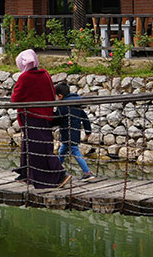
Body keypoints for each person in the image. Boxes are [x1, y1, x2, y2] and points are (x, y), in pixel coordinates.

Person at [11, 49, 68, 187]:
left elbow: (15, 98)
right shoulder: (45, 74)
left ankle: (60, 175)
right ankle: (26, 173)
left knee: (38, 147)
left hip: (31, 117)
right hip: (45, 115)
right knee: (35, 144)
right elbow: (51, 93)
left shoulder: (24, 77)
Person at [55, 81, 94, 179]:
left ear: (60, 96)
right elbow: (85, 118)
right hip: (75, 132)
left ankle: (87, 172)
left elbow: (56, 118)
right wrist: (88, 131)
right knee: (62, 151)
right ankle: (57, 169)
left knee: (75, 151)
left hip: (66, 133)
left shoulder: (62, 106)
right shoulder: (77, 104)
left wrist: (48, 123)